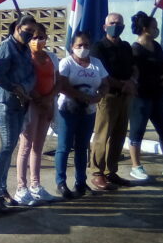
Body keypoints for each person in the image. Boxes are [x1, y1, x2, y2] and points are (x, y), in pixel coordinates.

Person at [127, 11, 163, 180]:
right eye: (154, 27)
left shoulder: (157, 46)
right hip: (141, 97)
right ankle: (136, 167)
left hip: (159, 96)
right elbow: (135, 74)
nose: (156, 30)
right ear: (145, 29)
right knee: (137, 132)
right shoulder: (135, 50)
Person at [0, 15, 38, 211]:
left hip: (20, 104)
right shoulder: (6, 47)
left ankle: (2, 188)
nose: (30, 35)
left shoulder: (25, 50)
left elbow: (31, 74)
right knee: (7, 146)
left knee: (11, 146)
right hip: (6, 103)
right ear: (17, 28)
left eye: (32, 32)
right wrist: (15, 88)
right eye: (27, 31)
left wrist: (24, 88)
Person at [55, 32, 109, 199]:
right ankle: (61, 182)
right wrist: (82, 97)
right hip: (67, 110)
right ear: (72, 46)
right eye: (79, 45)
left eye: (86, 45)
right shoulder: (67, 62)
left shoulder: (96, 63)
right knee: (64, 146)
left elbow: (106, 83)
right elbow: (61, 86)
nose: (83, 48)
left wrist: (100, 95)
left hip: (89, 112)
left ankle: (81, 182)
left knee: (82, 147)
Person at [89, 13, 136, 190]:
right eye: (112, 23)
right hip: (107, 96)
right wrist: (121, 84)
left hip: (125, 97)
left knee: (119, 135)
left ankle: (111, 171)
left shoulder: (125, 46)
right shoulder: (99, 47)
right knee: (102, 135)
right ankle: (97, 172)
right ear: (105, 26)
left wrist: (131, 82)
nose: (116, 26)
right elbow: (102, 73)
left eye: (119, 23)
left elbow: (133, 67)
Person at [15, 22, 60, 204]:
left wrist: (49, 100)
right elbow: (25, 82)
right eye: (33, 37)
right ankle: (21, 187)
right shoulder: (25, 58)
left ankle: (35, 185)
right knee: (25, 146)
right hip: (31, 105)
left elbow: (58, 81)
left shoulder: (51, 57)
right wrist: (39, 100)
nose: (37, 40)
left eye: (41, 37)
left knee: (38, 147)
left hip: (47, 105)